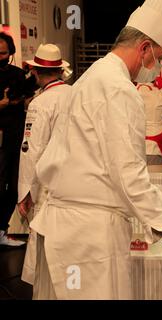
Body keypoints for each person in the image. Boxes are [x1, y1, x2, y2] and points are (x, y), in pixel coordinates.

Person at [30, 0, 162, 300]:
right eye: (158, 57)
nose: (157, 68)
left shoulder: (94, 74)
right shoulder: (119, 89)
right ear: (144, 48)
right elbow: (128, 176)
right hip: (88, 236)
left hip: (66, 227)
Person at [16, 44, 72, 285]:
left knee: (41, 243)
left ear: (36, 72)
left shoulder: (40, 104)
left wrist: (24, 193)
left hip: (47, 185)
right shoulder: (76, 94)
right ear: (60, 70)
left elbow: (31, 150)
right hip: (74, 182)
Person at [0, 31, 34, 246]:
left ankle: (2, 231)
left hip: (16, 137)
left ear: (10, 52)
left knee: (14, 186)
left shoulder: (17, 74)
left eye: (2, 52)